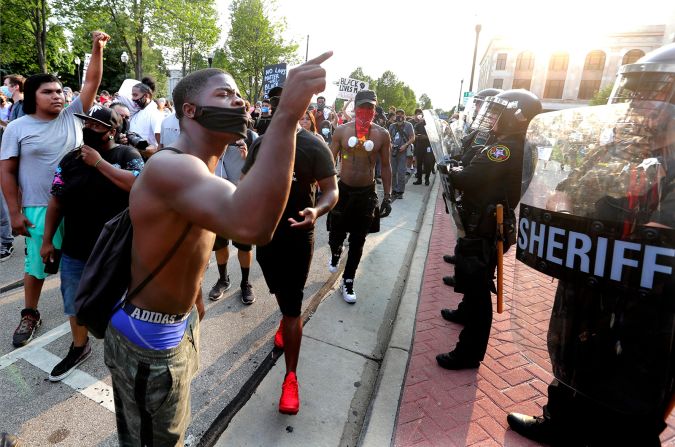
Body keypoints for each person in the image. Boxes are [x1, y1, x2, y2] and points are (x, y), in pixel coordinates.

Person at [103, 52, 332, 445]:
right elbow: (255, 226)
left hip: (175, 329)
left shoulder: (199, 167)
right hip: (149, 346)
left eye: (239, 95)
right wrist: (288, 116)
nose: (240, 102)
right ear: (190, 110)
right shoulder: (173, 167)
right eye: (225, 94)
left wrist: (192, 297)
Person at [507, 43, 675, 447]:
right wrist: (563, 205)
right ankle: (556, 421)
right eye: (636, 92)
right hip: (586, 287)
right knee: (570, 366)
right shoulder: (616, 152)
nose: (639, 104)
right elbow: (565, 192)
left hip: (646, 311)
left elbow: (654, 236)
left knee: (627, 399)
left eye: (653, 93)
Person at [0, 31, 109, 348]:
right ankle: (30, 313)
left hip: (81, 208)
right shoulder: (18, 128)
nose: (58, 96)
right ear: (33, 96)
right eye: (49, 92)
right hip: (37, 209)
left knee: (85, 265)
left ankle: (87, 317)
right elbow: (6, 172)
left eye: (60, 91)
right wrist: (14, 213)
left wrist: (96, 49)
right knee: (36, 268)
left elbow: (91, 82)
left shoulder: (74, 114)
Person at [243, 94, 338, 414]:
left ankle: (291, 378)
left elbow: (331, 190)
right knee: (281, 295)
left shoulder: (314, 146)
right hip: (265, 237)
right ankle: (286, 317)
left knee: (293, 306)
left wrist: (317, 210)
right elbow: (245, 182)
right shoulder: (261, 144)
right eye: (276, 106)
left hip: (299, 236)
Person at [436, 89, 542, 370]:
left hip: (486, 226)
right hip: (488, 223)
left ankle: (469, 352)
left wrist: (450, 171)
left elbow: (471, 177)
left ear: (516, 116)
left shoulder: (506, 147)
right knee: (473, 281)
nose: (493, 119)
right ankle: (464, 312)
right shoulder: (516, 144)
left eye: (499, 113)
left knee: (478, 287)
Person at [41, 106, 143, 381]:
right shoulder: (71, 159)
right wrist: (48, 239)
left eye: (96, 126)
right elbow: (56, 199)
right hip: (76, 246)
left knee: (122, 302)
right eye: (86, 124)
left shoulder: (126, 155)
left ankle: (127, 350)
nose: (88, 129)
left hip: (117, 249)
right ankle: (79, 346)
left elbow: (139, 187)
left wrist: (99, 163)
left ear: (111, 131)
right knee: (74, 301)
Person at [328, 89, 393, 303]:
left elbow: (386, 166)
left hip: (366, 194)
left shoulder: (382, 134)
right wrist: (325, 189)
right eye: (362, 106)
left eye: (370, 107)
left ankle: (348, 280)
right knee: (335, 234)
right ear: (355, 108)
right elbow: (329, 162)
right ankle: (336, 251)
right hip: (343, 190)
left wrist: (387, 196)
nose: (366, 111)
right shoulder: (341, 131)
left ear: (375, 109)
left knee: (358, 240)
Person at [208, 138, 256, 305]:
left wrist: (248, 159)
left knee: (244, 246)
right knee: (220, 245)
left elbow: (262, 172)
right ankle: (223, 279)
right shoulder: (212, 139)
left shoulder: (251, 137)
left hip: (242, 202)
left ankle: (245, 282)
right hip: (218, 203)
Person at [388, 109, 415, 199]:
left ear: (404, 115)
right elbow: (389, 138)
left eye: (401, 114)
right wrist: (391, 145)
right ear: (395, 115)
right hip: (393, 152)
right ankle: (394, 190)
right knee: (393, 172)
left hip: (403, 152)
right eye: (398, 114)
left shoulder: (408, 125)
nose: (400, 116)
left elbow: (412, 137)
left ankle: (400, 191)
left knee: (401, 172)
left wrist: (405, 145)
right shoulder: (392, 126)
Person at [412, 108, 434, 186]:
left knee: (428, 163)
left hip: (428, 147)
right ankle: (419, 179)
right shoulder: (417, 125)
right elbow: (415, 135)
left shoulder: (431, 126)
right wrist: (421, 137)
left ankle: (427, 179)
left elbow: (433, 137)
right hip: (419, 146)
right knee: (419, 163)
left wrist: (425, 137)